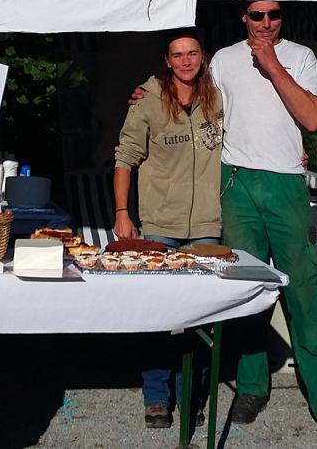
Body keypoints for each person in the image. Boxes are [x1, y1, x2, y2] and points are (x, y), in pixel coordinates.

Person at [210, 0, 317, 446]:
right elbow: (201, 110)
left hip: (286, 183)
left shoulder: (300, 56)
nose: (266, 23)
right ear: (243, 18)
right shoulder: (223, 59)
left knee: (303, 292)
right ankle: (252, 387)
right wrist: (147, 94)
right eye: (257, 16)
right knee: (249, 288)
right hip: (236, 181)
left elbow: (312, 118)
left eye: (274, 15)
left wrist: (273, 66)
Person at [113, 30, 223, 429]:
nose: (186, 61)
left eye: (192, 53)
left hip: (207, 226)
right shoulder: (148, 100)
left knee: (201, 318)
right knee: (159, 318)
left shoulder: (220, 96)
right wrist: (123, 212)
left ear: (203, 56)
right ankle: (158, 396)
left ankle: (193, 393)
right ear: (167, 60)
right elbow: (124, 158)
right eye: (178, 55)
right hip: (159, 224)